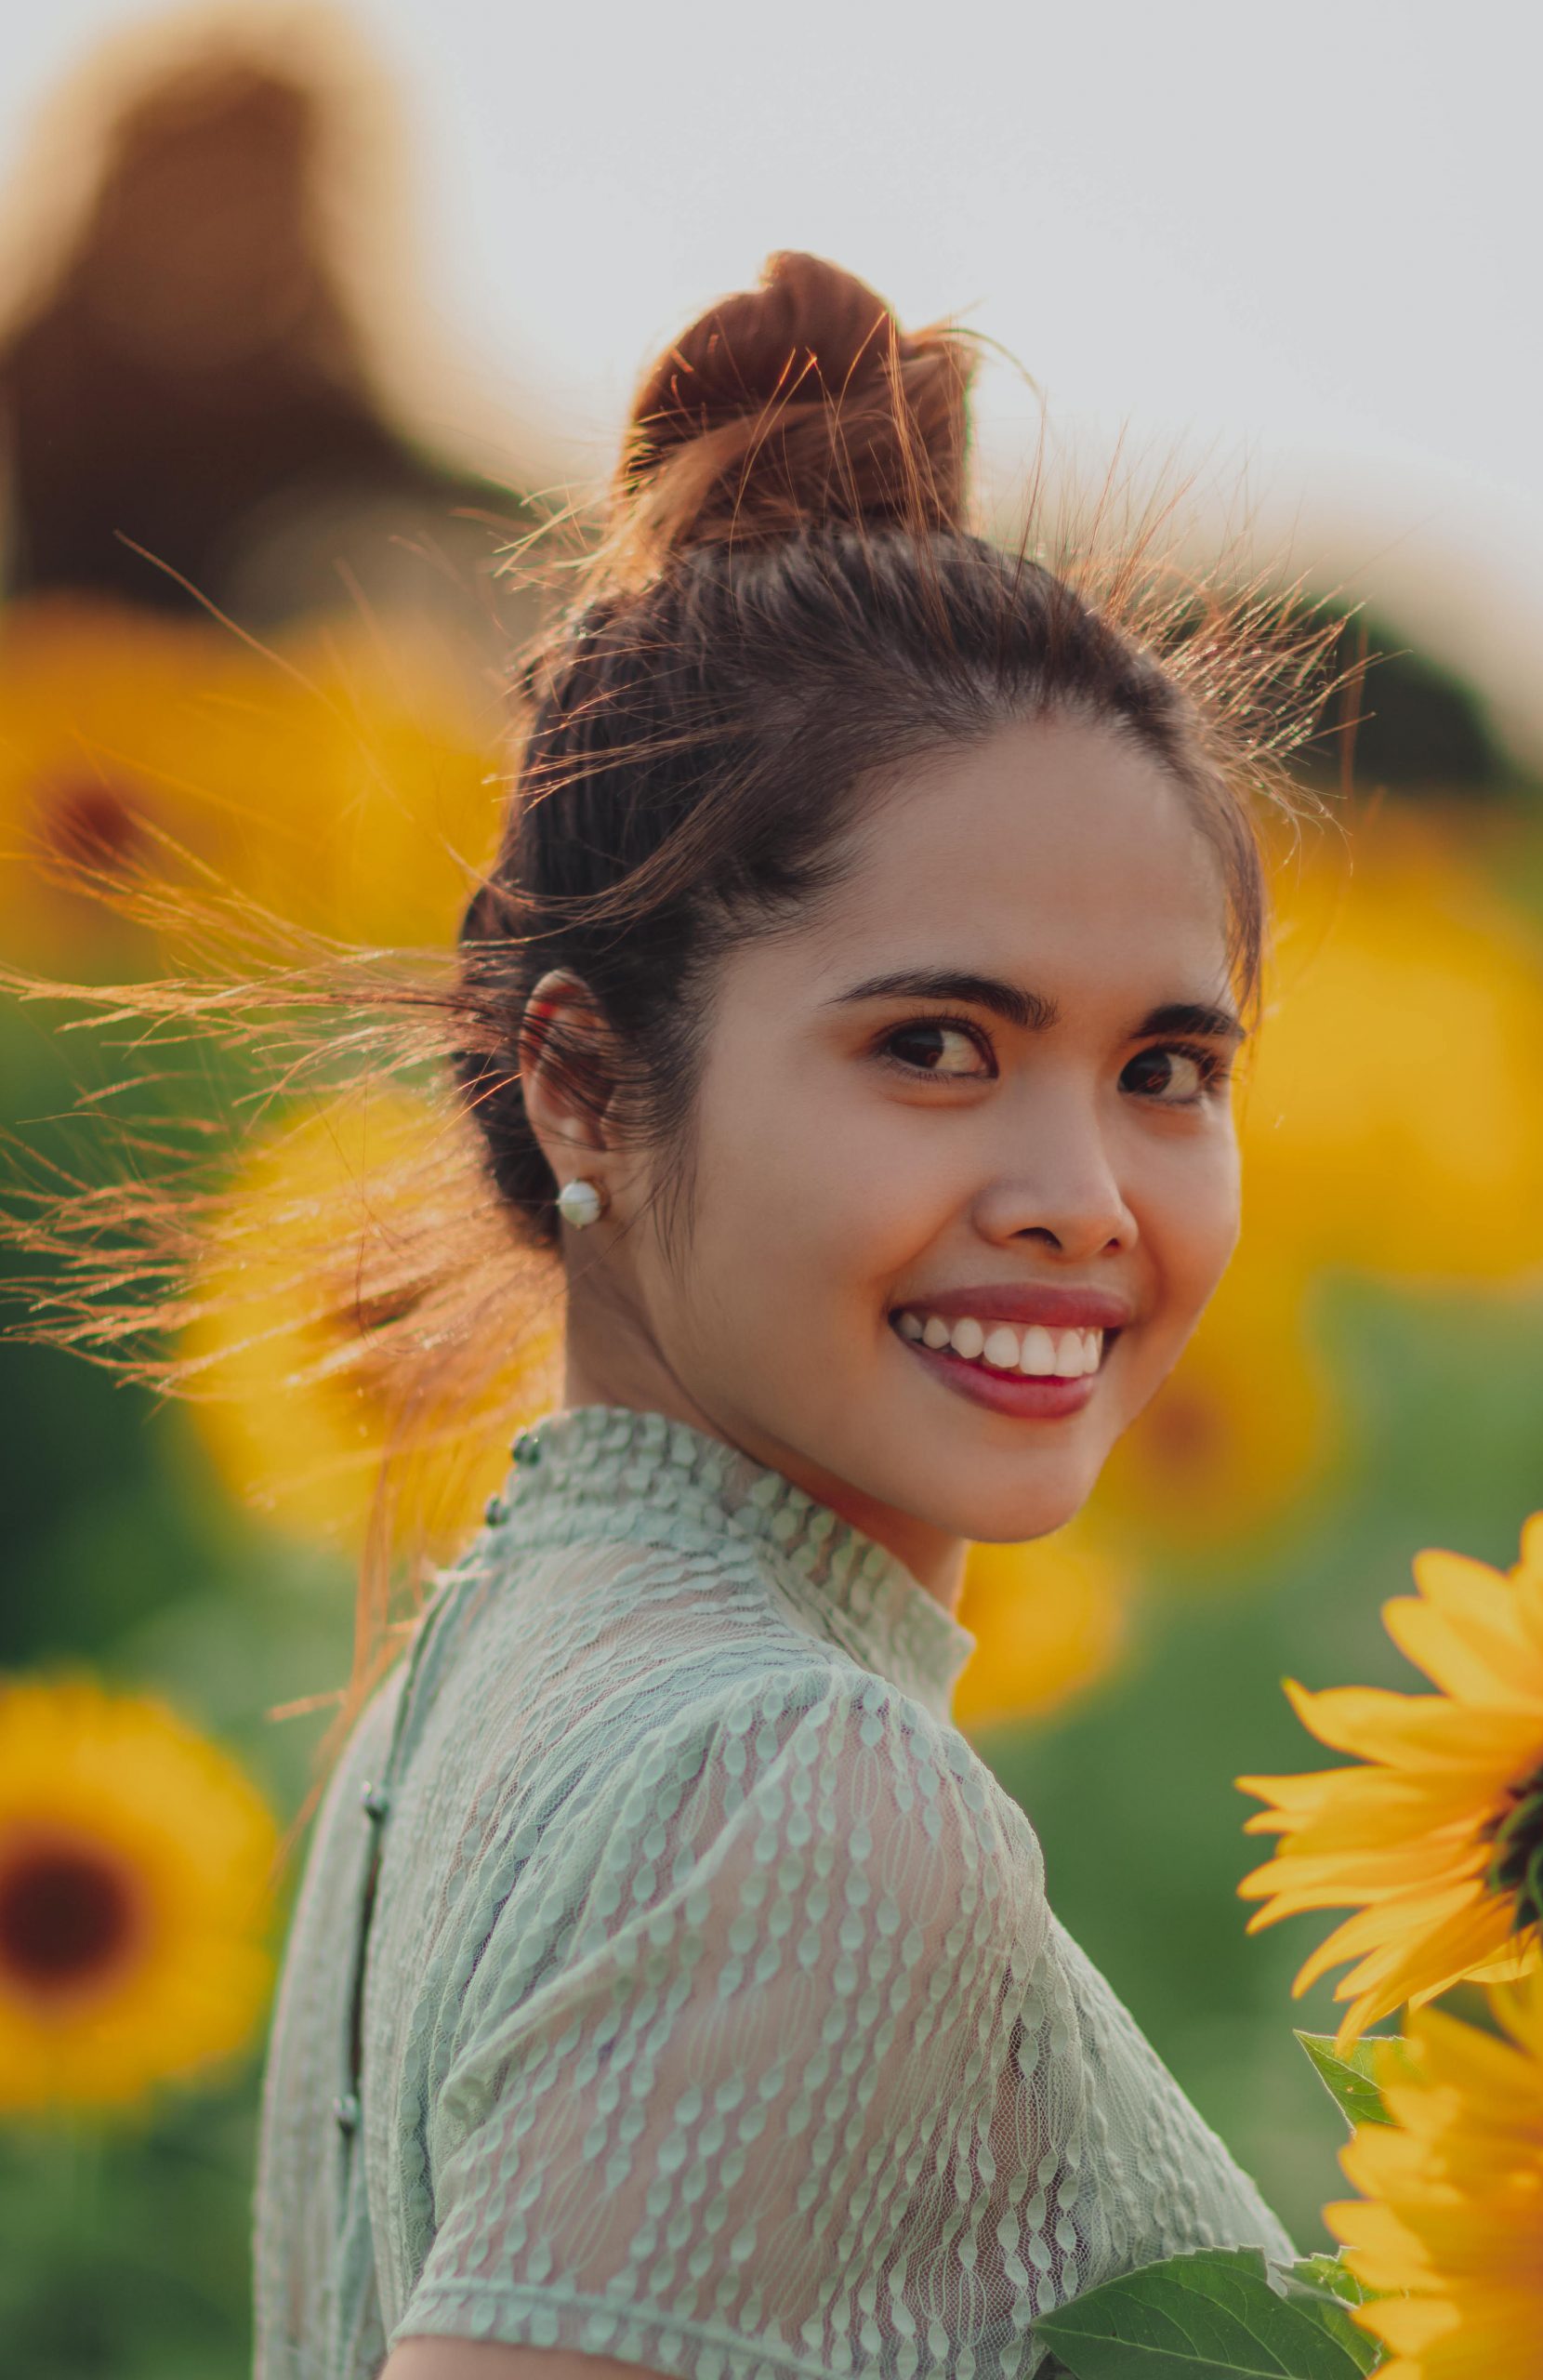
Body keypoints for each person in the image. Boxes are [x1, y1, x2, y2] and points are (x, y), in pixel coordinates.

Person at [243, 252, 1312, 2378]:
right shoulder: (790, 1781)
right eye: (932, 1044)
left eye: (1165, 1069)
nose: (1081, 1200)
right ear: (579, 1076)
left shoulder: (471, 1679)